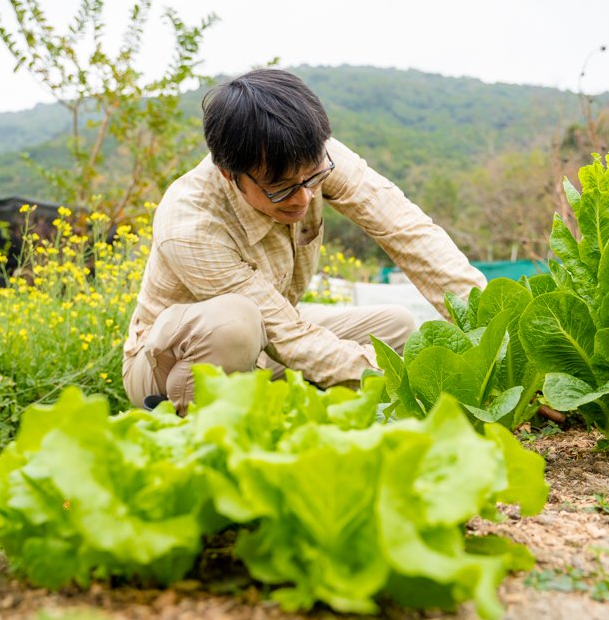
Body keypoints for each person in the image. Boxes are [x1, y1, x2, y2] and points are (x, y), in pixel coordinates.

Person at [122, 68, 485, 413]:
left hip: (270, 334)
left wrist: (492, 327)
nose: (304, 198)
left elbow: (406, 230)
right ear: (229, 174)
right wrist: (411, 380)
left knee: (397, 326)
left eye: (312, 179)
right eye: (280, 190)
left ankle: (282, 400)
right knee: (236, 324)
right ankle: (186, 420)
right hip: (168, 364)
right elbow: (289, 336)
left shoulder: (315, 155)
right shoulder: (190, 222)